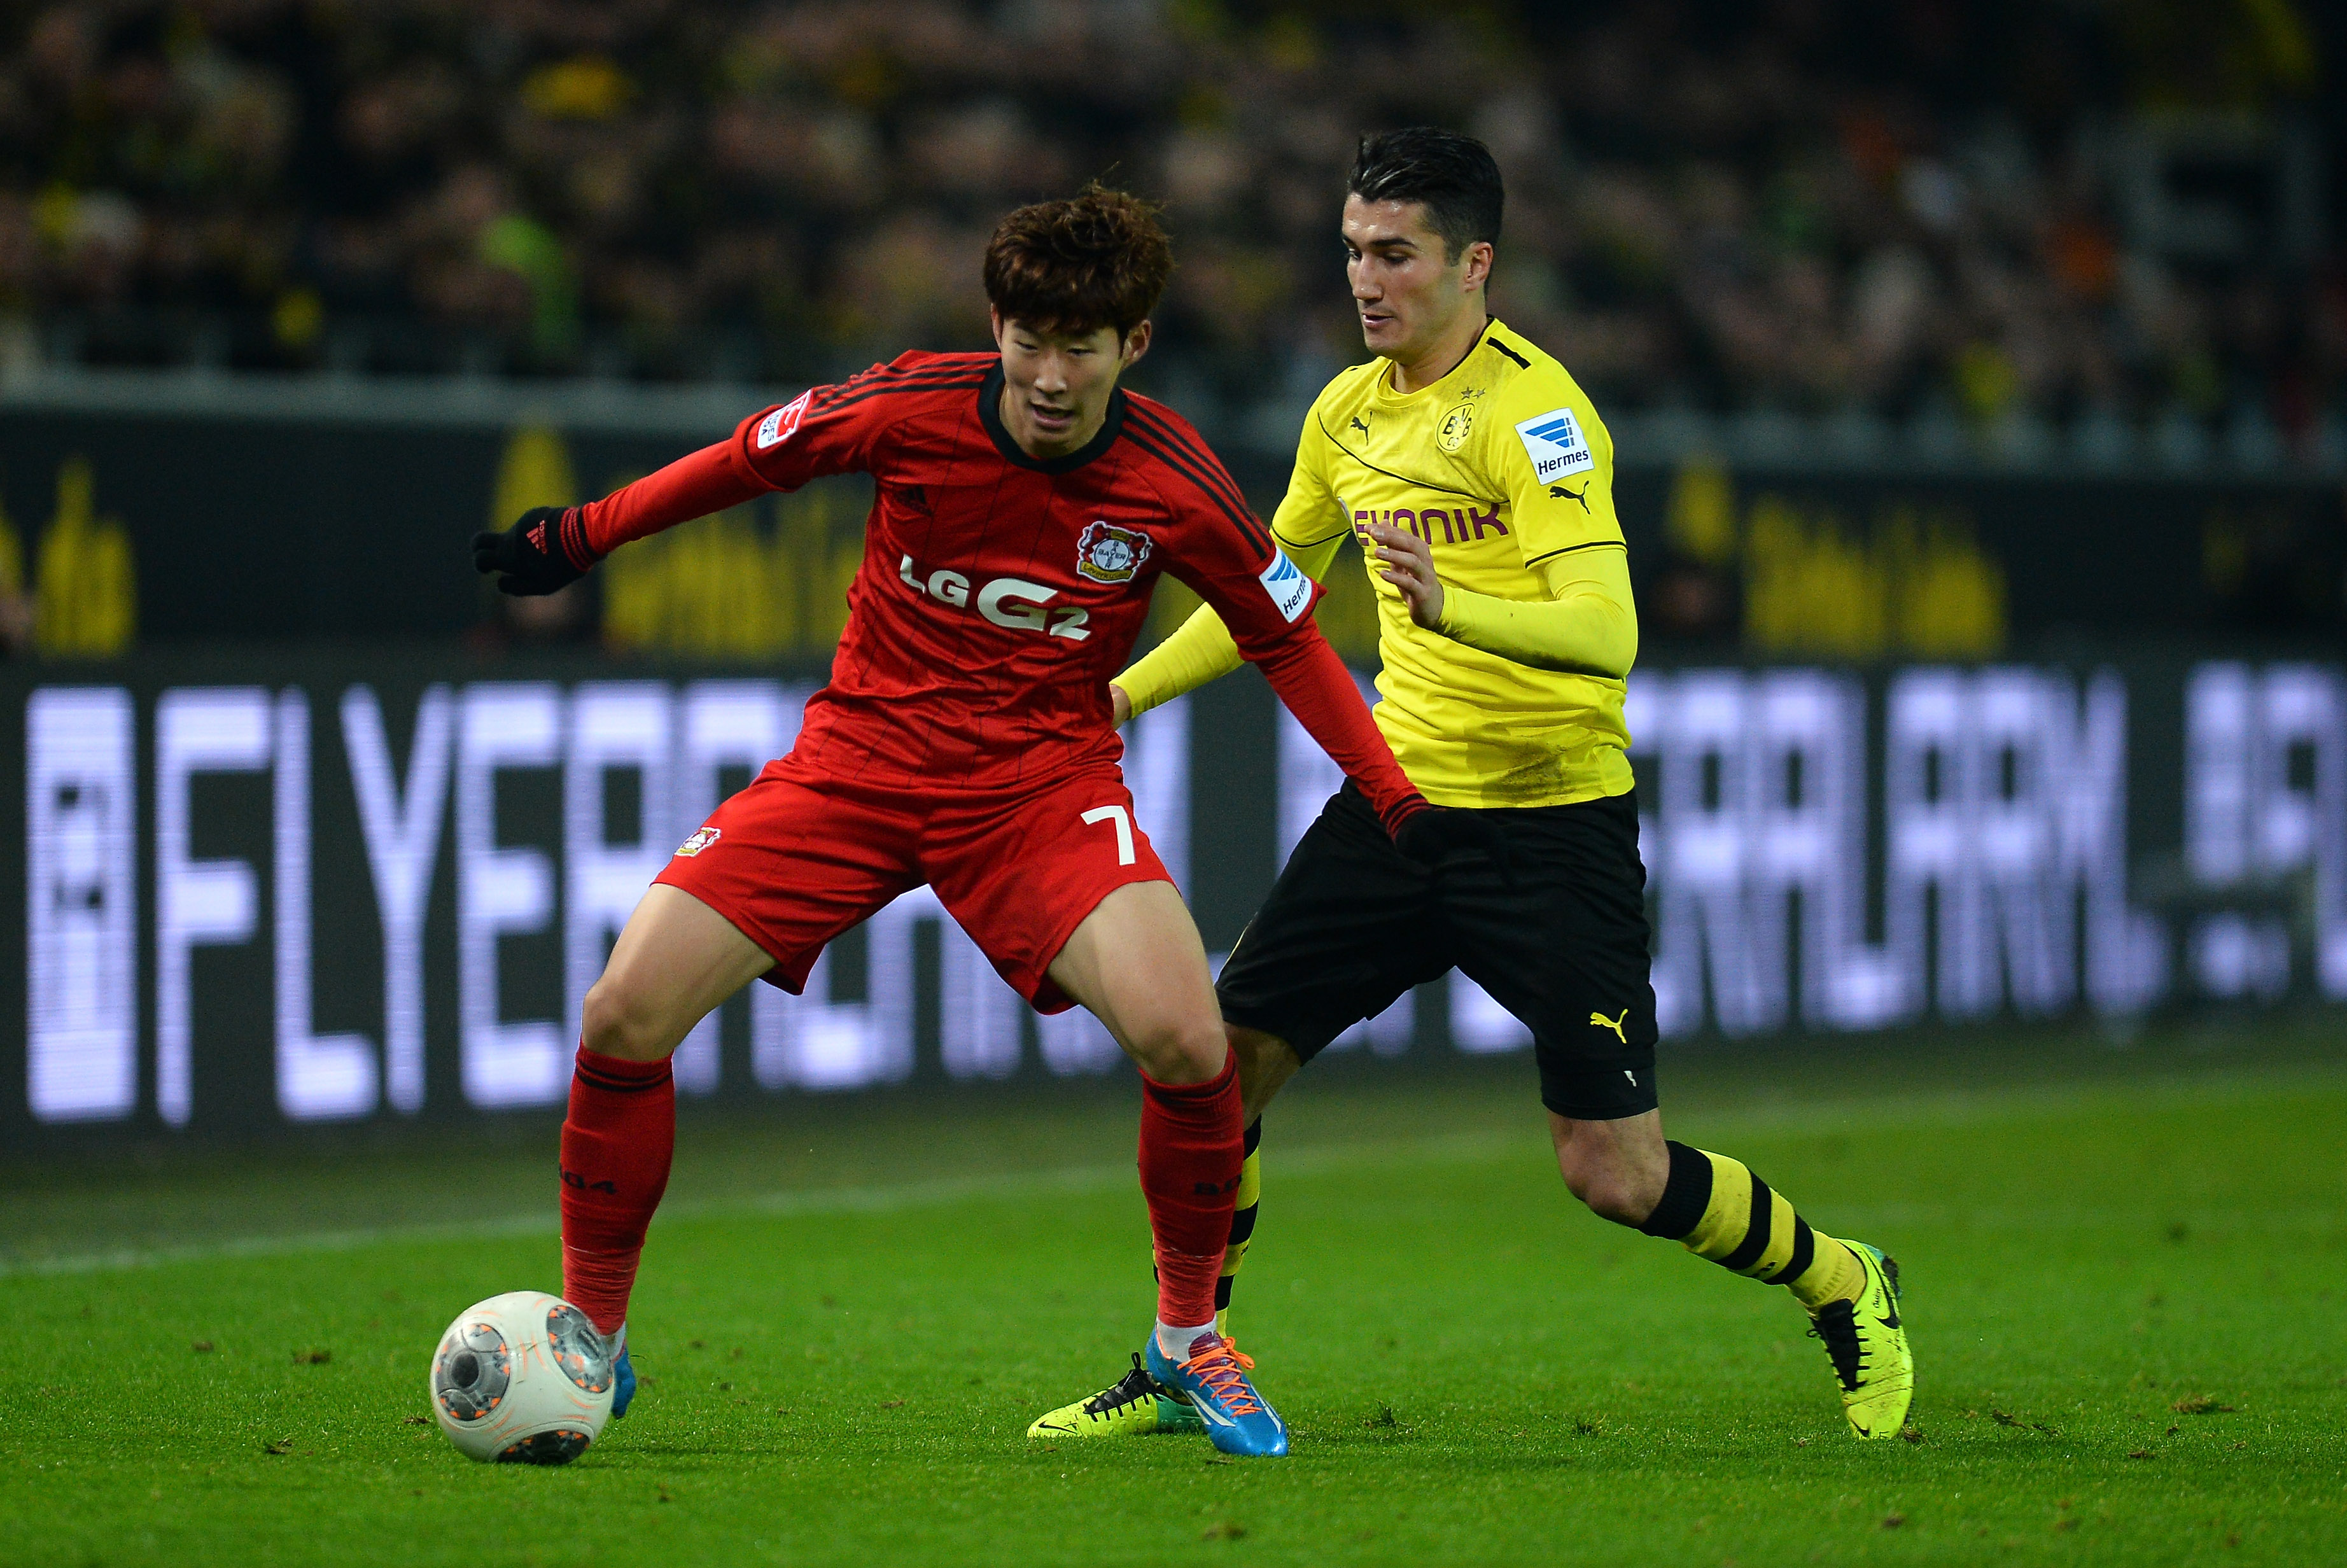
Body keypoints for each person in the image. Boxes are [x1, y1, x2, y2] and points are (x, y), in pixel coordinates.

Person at [473, 186, 1492, 1460]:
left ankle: (1185, 1345)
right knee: (622, 1012)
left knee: (1189, 1038)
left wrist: (1393, 797)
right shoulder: (907, 404)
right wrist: (579, 535)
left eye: (1082, 344)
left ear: (1135, 344)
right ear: (995, 324)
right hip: (854, 765)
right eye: (1028, 337)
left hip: (1038, 789)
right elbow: (748, 457)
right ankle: (596, 1340)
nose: (1050, 374)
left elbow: (1282, 635)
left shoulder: (1173, 480)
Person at [1028, 131, 1914, 1445]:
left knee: (1611, 1171)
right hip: (1400, 810)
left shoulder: (1536, 418)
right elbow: (1272, 596)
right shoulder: (1345, 412)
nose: (1364, 280)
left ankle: (1842, 1276)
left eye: (1393, 254)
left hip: (1552, 827)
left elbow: (1603, 629)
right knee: (1216, 1073)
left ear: (1472, 263)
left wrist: (1458, 602)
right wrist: (1120, 691)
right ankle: (1185, 1352)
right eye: (1350, 251)